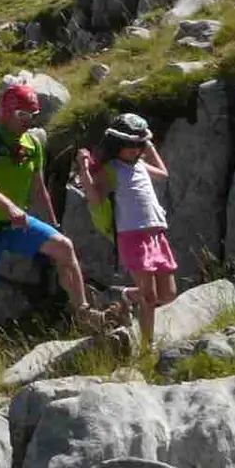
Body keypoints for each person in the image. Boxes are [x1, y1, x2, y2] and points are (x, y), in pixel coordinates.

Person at [0, 83, 104, 369]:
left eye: (32, 114)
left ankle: (83, 313)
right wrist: (8, 206)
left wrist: (53, 223)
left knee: (63, 248)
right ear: (6, 111)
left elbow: (39, 187)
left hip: (16, 224)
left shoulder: (32, 144)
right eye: (22, 113)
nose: (28, 120)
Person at [76, 113, 178, 352]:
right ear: (117, 145)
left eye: (139, 145)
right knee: (150, 298)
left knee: (169, 294)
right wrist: (83, 168)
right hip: (132, 236)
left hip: (156, 235)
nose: (136, 150)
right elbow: (95, 197)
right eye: (130, 146)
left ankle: (125, 296)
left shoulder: (140, 163)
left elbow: (163, 174)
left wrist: (149, 147)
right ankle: (146, 347)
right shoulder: (111, 169)